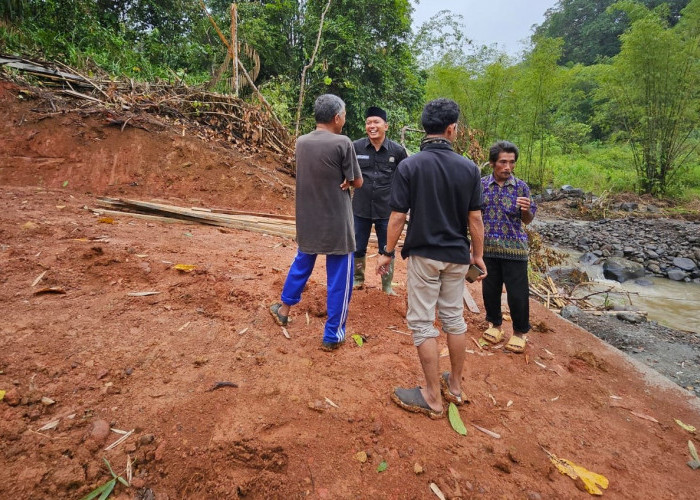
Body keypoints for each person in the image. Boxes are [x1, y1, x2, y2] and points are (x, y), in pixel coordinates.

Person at [376, 98, 485, 419]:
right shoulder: (469, 169)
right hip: (456, 256)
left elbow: (397, 216)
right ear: (452, 129)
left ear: (426, 128)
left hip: (424, 254)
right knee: (454, 319)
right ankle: (455, 388)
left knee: (422, 322)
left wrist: (386, 252)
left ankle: (432, 397)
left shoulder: (410, 166)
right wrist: (477, 256)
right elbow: (475, 219)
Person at [269, 94, 363, 351]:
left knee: (302, 263)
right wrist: (347, 179)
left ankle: (284, 309)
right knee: (340, 277)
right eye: (344, 115)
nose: (344, 120)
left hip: (308, 218)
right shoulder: (343, 142)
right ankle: (332, 335)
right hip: (336, 222)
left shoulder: (301, 142)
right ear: (336, 117)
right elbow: (357, 181)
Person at [480, 141, 537, 353]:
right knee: (490, 290)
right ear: (492, 162)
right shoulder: (482, 185)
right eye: (503, 162)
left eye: (511, 162)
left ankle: (520, 333)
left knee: (518, 294)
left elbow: (528, 220)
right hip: (488, 248)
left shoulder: (521, 187)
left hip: (515, 250)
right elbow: (474, 216)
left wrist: (525, 210)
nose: (507, 167)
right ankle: (495, 325)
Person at [352, 106, 408, 295]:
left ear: (386, 126)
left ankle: (386, 285)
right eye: (368, 122)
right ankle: (357, 279)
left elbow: (405, 180)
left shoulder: (398, 151)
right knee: (358, 246)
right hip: (360, 208)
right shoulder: (355, 147)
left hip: (387, 211)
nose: (372, 126)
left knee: (387, 248)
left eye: (376, 122)